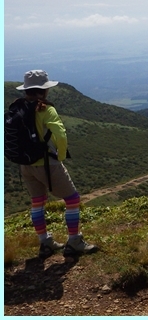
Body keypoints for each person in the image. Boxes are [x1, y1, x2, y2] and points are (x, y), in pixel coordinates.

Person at [15, 70, 98, 259]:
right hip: (47, 163)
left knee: (37, 202)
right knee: (72, 200)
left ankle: (45, 243)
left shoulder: (17, 108)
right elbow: (60, 134)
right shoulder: (45, 109)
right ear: (44, 90)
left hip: (25, 165)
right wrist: (60, 156)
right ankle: (74, 241)